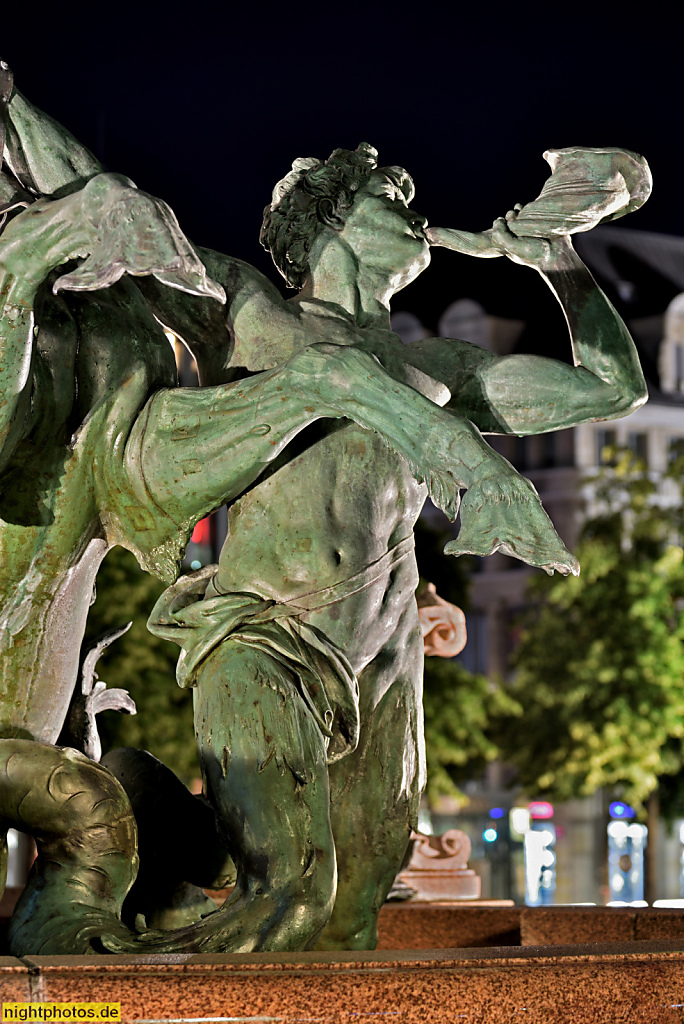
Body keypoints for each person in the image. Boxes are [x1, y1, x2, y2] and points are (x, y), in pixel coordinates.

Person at [98, 141, 646, 953]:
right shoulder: (249, 309)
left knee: (354, 913)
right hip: (267, 635)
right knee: (290, 897)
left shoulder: (432, 367)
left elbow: (612, 389)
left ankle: (166, 858)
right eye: (395, 193)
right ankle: (110, 972)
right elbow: (119, 223)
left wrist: (560, 262)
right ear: (333, 218)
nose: (418, 208)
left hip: (386, 664)